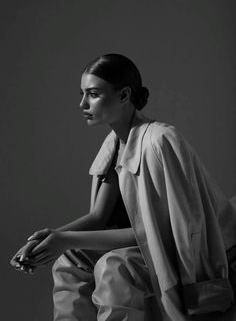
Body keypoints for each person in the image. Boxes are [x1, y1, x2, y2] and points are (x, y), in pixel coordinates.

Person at [10, 53, 236, 321]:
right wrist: (50, 238)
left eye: (93, 94)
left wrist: (66, 239)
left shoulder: (160, 141)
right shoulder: (115, 143)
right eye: (82, 93)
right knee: (68, 260)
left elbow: (165, 234)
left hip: (189, 250)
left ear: (124, 95)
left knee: (112, 267)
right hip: (151, 243)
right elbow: (99, 217)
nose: (82, 103)